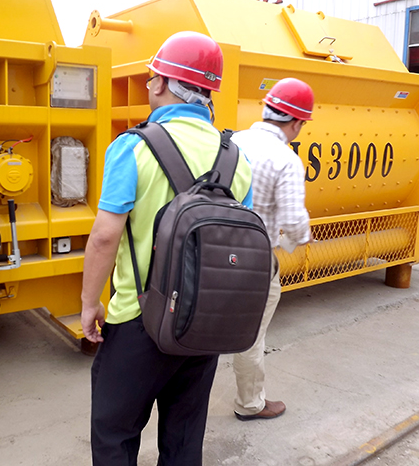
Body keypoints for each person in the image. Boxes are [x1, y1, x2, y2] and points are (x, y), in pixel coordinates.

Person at [81, 31, 253, 466]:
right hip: (204, 324)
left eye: (150, 76)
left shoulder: (133, 147)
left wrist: (88, 304)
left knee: (115, 433)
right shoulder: (235, 158)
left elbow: (105, 236)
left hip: (140, 320)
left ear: (161, 83)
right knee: (183, 439)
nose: (146, 85)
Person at [231, 77, 313, 421]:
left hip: (212, 251)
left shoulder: (231, 141)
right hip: (254, 260)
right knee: (250, 334)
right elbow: (294, 222)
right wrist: (300, 240)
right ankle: (249, 404)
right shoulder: (285, 159)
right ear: (295, 122)